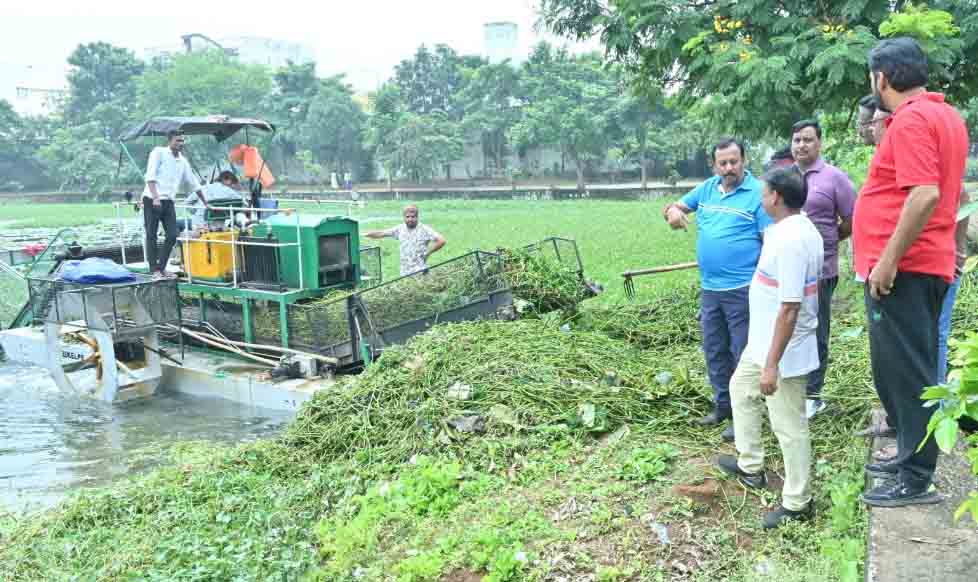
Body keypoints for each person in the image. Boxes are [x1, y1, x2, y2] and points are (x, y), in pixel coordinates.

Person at [855, 37, 969, 507]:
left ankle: (916, 478)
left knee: (909, 372)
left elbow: (924, 194)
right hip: (921, 263)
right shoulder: (945, 115)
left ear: (881, 78)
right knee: (900, 368)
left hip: (906, 268)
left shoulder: (912, 120)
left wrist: (887, 260)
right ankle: (907, 455)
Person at [717, 166, 824, 529]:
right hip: (761, 342)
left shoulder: (793, 240)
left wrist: (771, 365)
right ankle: (751, 466)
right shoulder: (789, 229)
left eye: (763, 192)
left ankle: (798, 502)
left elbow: (790, 307)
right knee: (739, 390)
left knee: (789, 426)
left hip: (783, 351)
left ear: (775, 197)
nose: (761, 197)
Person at [662, 138, 773, 442]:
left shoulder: (758, 193)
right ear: (714, 165)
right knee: (714, 349)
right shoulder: (708, 188)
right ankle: (722, 406)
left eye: (734, 161)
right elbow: (674, 207)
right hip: (710, 289)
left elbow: (770, 243)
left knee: (742, 354)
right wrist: (672, 212)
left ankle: (744, 416)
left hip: (743, 289)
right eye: (722, 163)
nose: (728, 168)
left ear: (744, 160)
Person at [790, 119, 856, 418]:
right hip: (788, 270)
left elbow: (850, 221)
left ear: (820, 143)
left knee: (817, 331)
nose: (801, 145)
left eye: (807, 140)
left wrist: (825, 243)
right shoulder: (784, 176)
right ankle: (791, 389)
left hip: (821, 271)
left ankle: (813, 395)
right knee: (789, 328)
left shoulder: (834, 178)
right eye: (797, 140)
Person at [142, 131, 207, 280]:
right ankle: (154, 270)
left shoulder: (182, 161)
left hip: (169, 201)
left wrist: (206, 203)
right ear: (170, 141)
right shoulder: (159, 152)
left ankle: (161, 268)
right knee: (151, 234)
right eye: (177, 141)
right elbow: (150, 176)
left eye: (182, 141)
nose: (180, 143)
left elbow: (193, 182)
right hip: (152, 198)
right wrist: (156, 197)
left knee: (172, 235)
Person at [365, 205, 446, 276]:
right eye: (407, 217)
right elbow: (382, 233)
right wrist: (366, 234)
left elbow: (441, 240)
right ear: (404, 217)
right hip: (405, 272)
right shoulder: (400, 229)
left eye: (413, 217)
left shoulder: (424, 229)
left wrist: (427, 253)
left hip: (420, 271)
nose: (410, 219)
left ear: (417, 217)